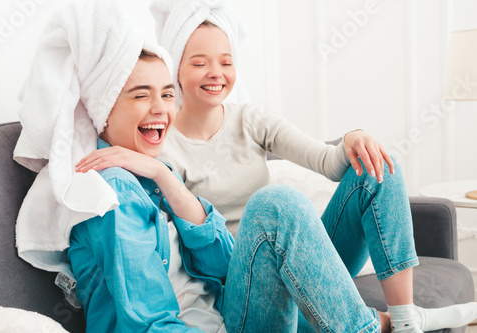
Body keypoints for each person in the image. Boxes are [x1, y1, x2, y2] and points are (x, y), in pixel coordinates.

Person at [150, 0, 477, 332]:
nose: (216, 73)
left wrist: (353, 137)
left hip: (301, 269)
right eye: (199, 63)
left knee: (377, 167)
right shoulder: (164, 148)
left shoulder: (250, 119)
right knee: (275, 202)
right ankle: (370, 325)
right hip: (241, 293)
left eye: (226, 61)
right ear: (176, 68)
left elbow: (327, 162)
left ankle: (405, 319)